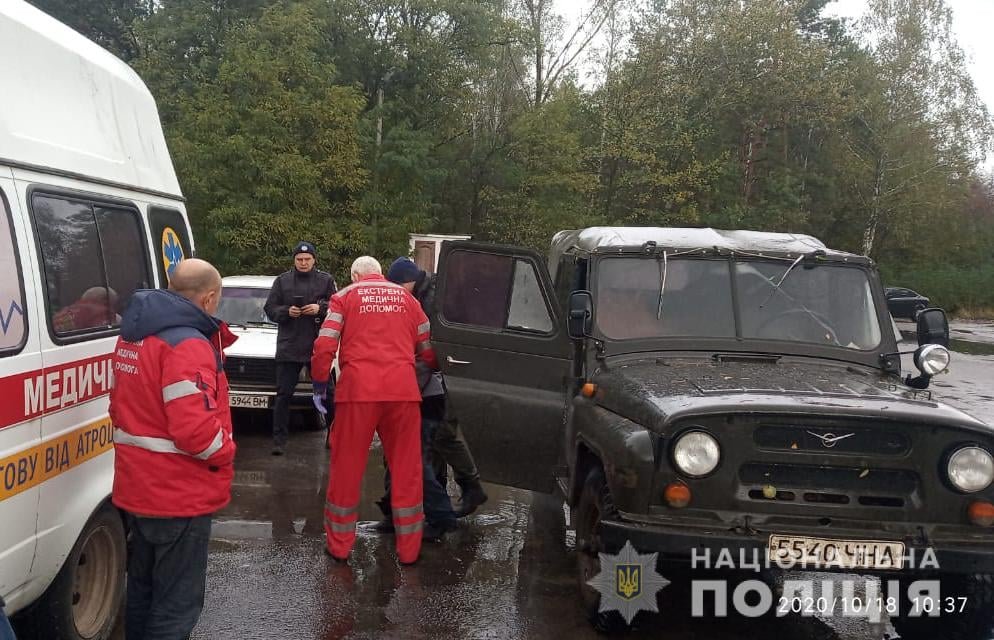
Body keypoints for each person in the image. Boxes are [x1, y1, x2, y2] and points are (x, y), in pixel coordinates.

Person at [109, 258, 237, 640]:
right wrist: (227, 450)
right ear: (209, 298)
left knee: (143, 593)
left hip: (139, 487)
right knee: (175, 607)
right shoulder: (188, 344)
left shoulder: (133, 336)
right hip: (179, 494)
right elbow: (195, 432)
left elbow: (119, 406)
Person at [310, 256, 437, 565]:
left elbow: (325, 345)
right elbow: (427, 348)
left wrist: (319, 383)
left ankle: (339, 547)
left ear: (355, 275)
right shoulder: (407, 299)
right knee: (407, 470)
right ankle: (409, 551)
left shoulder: (344, 297)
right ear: (381, 274)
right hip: (402, 392)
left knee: (347, 468)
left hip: (358, 392)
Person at [384, 257, 489, 517]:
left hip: (448, 373)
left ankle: (472, 486)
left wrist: (411, 378)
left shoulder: (432, 299)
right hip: (435, 374)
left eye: (397, 287)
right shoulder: (423, 293)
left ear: (407, 281)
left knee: (442, 433)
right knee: (432, 436)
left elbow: (433, 345)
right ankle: (437, 504)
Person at [263, 241, 337, 455]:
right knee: (283, 395)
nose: (303, 263)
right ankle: (279, 441)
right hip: (289, 346)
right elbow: (270, 308)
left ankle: (334, 436)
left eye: (307, 259)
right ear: (294, 260)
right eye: (299, 259)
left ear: (314, 260)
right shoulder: (282, 281)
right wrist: (286, 312)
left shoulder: (325, 280)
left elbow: (337, 306)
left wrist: (319, 308)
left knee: (328, 394)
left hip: (316, 346)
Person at [52, 285, 120, 332]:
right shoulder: (100, 313)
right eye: (112, 305)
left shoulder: (64, 312)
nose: (112, 310)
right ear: (105, 301)